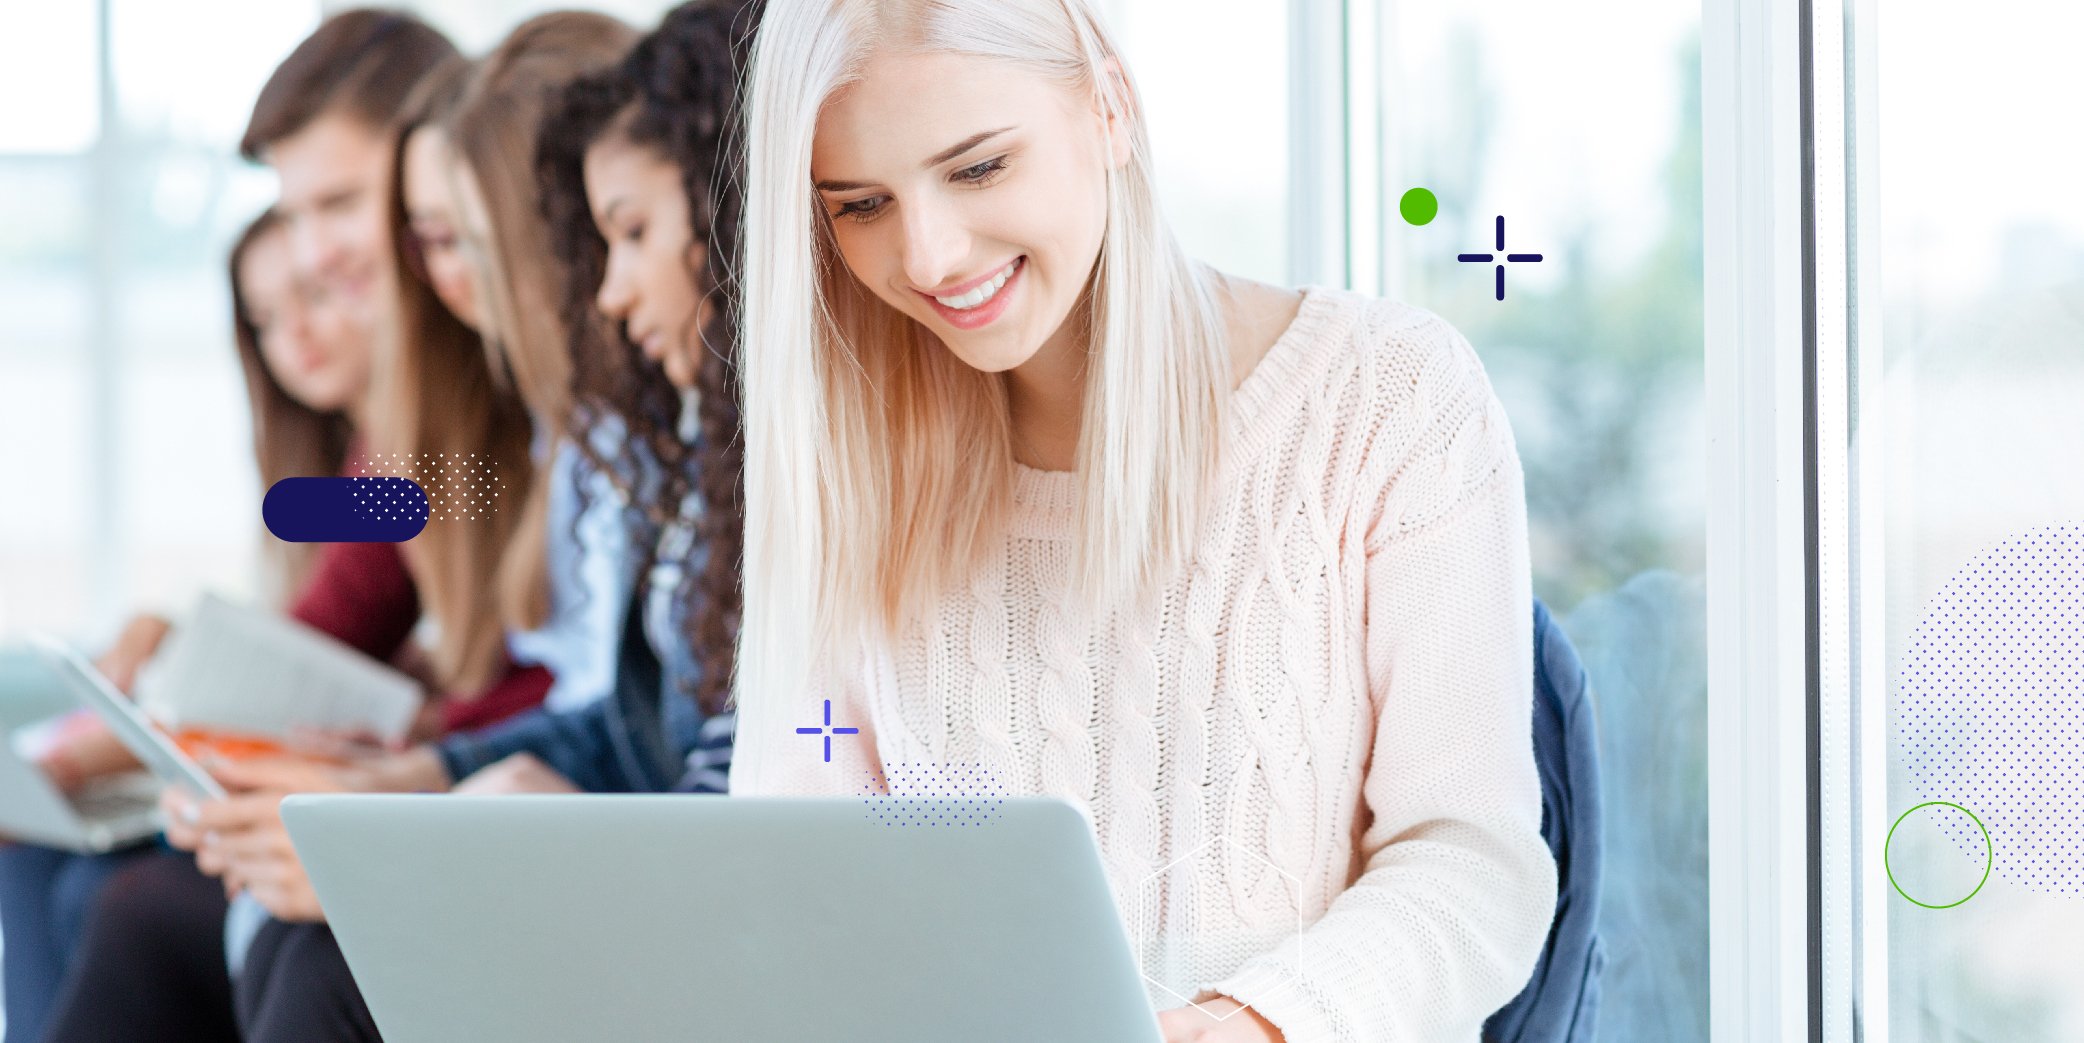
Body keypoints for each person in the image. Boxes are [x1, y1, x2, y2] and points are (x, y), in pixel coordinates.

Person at [727, 1, 1558, 1040]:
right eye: (859, 204)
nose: (929, 255)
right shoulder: (849, 470)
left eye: (978, 167)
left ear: (1108, 106)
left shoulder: (1386, 401)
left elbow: (1472, 863)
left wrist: (1254, 1019)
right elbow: (805, 871)